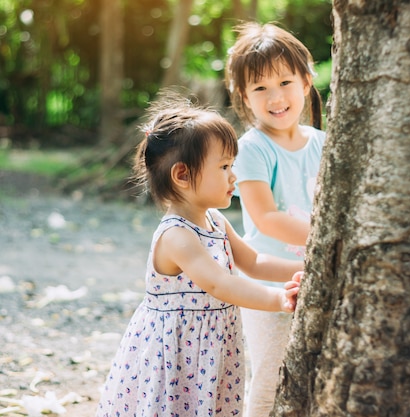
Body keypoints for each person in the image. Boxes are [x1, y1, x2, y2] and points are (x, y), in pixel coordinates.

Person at [96, 91, 303, 417]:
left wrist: (306, 267)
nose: (233, 176)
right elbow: (221, 285)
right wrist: (278, 301)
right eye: (223, 166)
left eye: (231, 165)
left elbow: (254, 262)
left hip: (210, 350)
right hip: (177, 356)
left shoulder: (216, 221)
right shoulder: (177, 236)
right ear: (182, 175)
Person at [224, 22, 325, 417]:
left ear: (305, 80)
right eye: (260, 87)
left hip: (317, 277)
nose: (275, 97)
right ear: (244, 97)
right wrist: (326, 239)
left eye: (284, 81)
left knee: (317, 372)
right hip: (269, 284)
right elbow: (265, 217)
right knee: (270, 376)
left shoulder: (323, 142)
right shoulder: (252, 148)